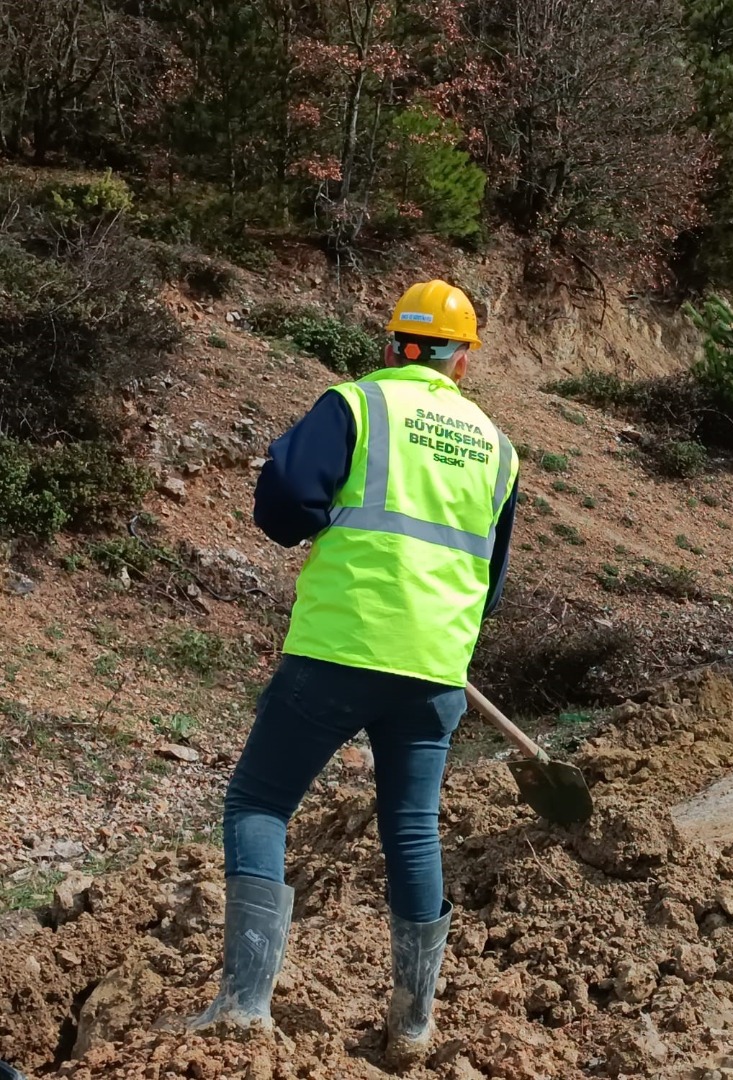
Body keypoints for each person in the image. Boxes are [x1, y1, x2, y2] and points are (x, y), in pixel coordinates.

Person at [190, 280, 518, 1067]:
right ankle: (411, 1026)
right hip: (436, 666)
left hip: (340, 650)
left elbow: (285, 508)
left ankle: (243, 1008)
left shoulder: (357, 406)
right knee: (410, 827)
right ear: (464, 360)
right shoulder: (498, 448)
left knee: (261, 803)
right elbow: (493, 584)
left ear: (392, 343)